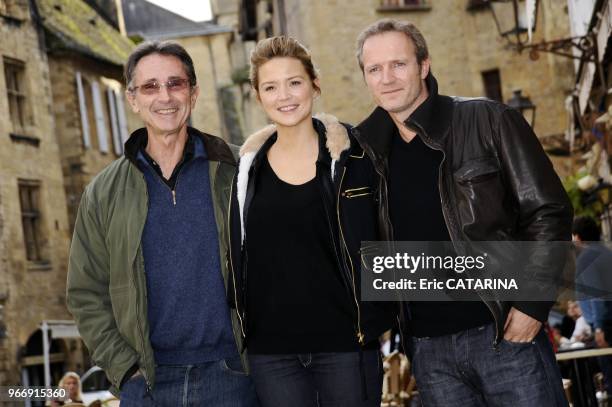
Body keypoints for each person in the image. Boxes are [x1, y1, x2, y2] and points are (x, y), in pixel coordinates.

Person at [353, 19, 573, 406]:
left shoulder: (487, 119)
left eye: (398, 64)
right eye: (375, 69)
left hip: (504, 333)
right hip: (429, 353)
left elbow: (548, 210)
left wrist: (531, 304)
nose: (387, 78)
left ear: (424, 66)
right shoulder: (368, 155)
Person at [66, 41, 259, 406]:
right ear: (132, 99)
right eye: (150, 86)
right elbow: (85, 292)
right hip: (150, 382)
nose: (165, 96)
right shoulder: (103, 192)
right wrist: (126, 372)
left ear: (194, 92)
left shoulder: (240, 171)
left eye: (175, 83)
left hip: (234, 376)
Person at [227, 36, 396, 407]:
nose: (284, 96)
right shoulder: (244, 172)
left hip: (346, 347)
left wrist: (385, 318)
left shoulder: (356, 158)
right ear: (258, 96)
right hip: (271, 354)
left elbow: (389, 234)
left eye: (294, 82)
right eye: (270, 87)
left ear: (314, 86)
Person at [573, 216, 612, 394]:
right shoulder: (606, 252)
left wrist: (598, 329)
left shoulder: (586, 258)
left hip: (606, 328)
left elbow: (597, 296)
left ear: (578, 237)